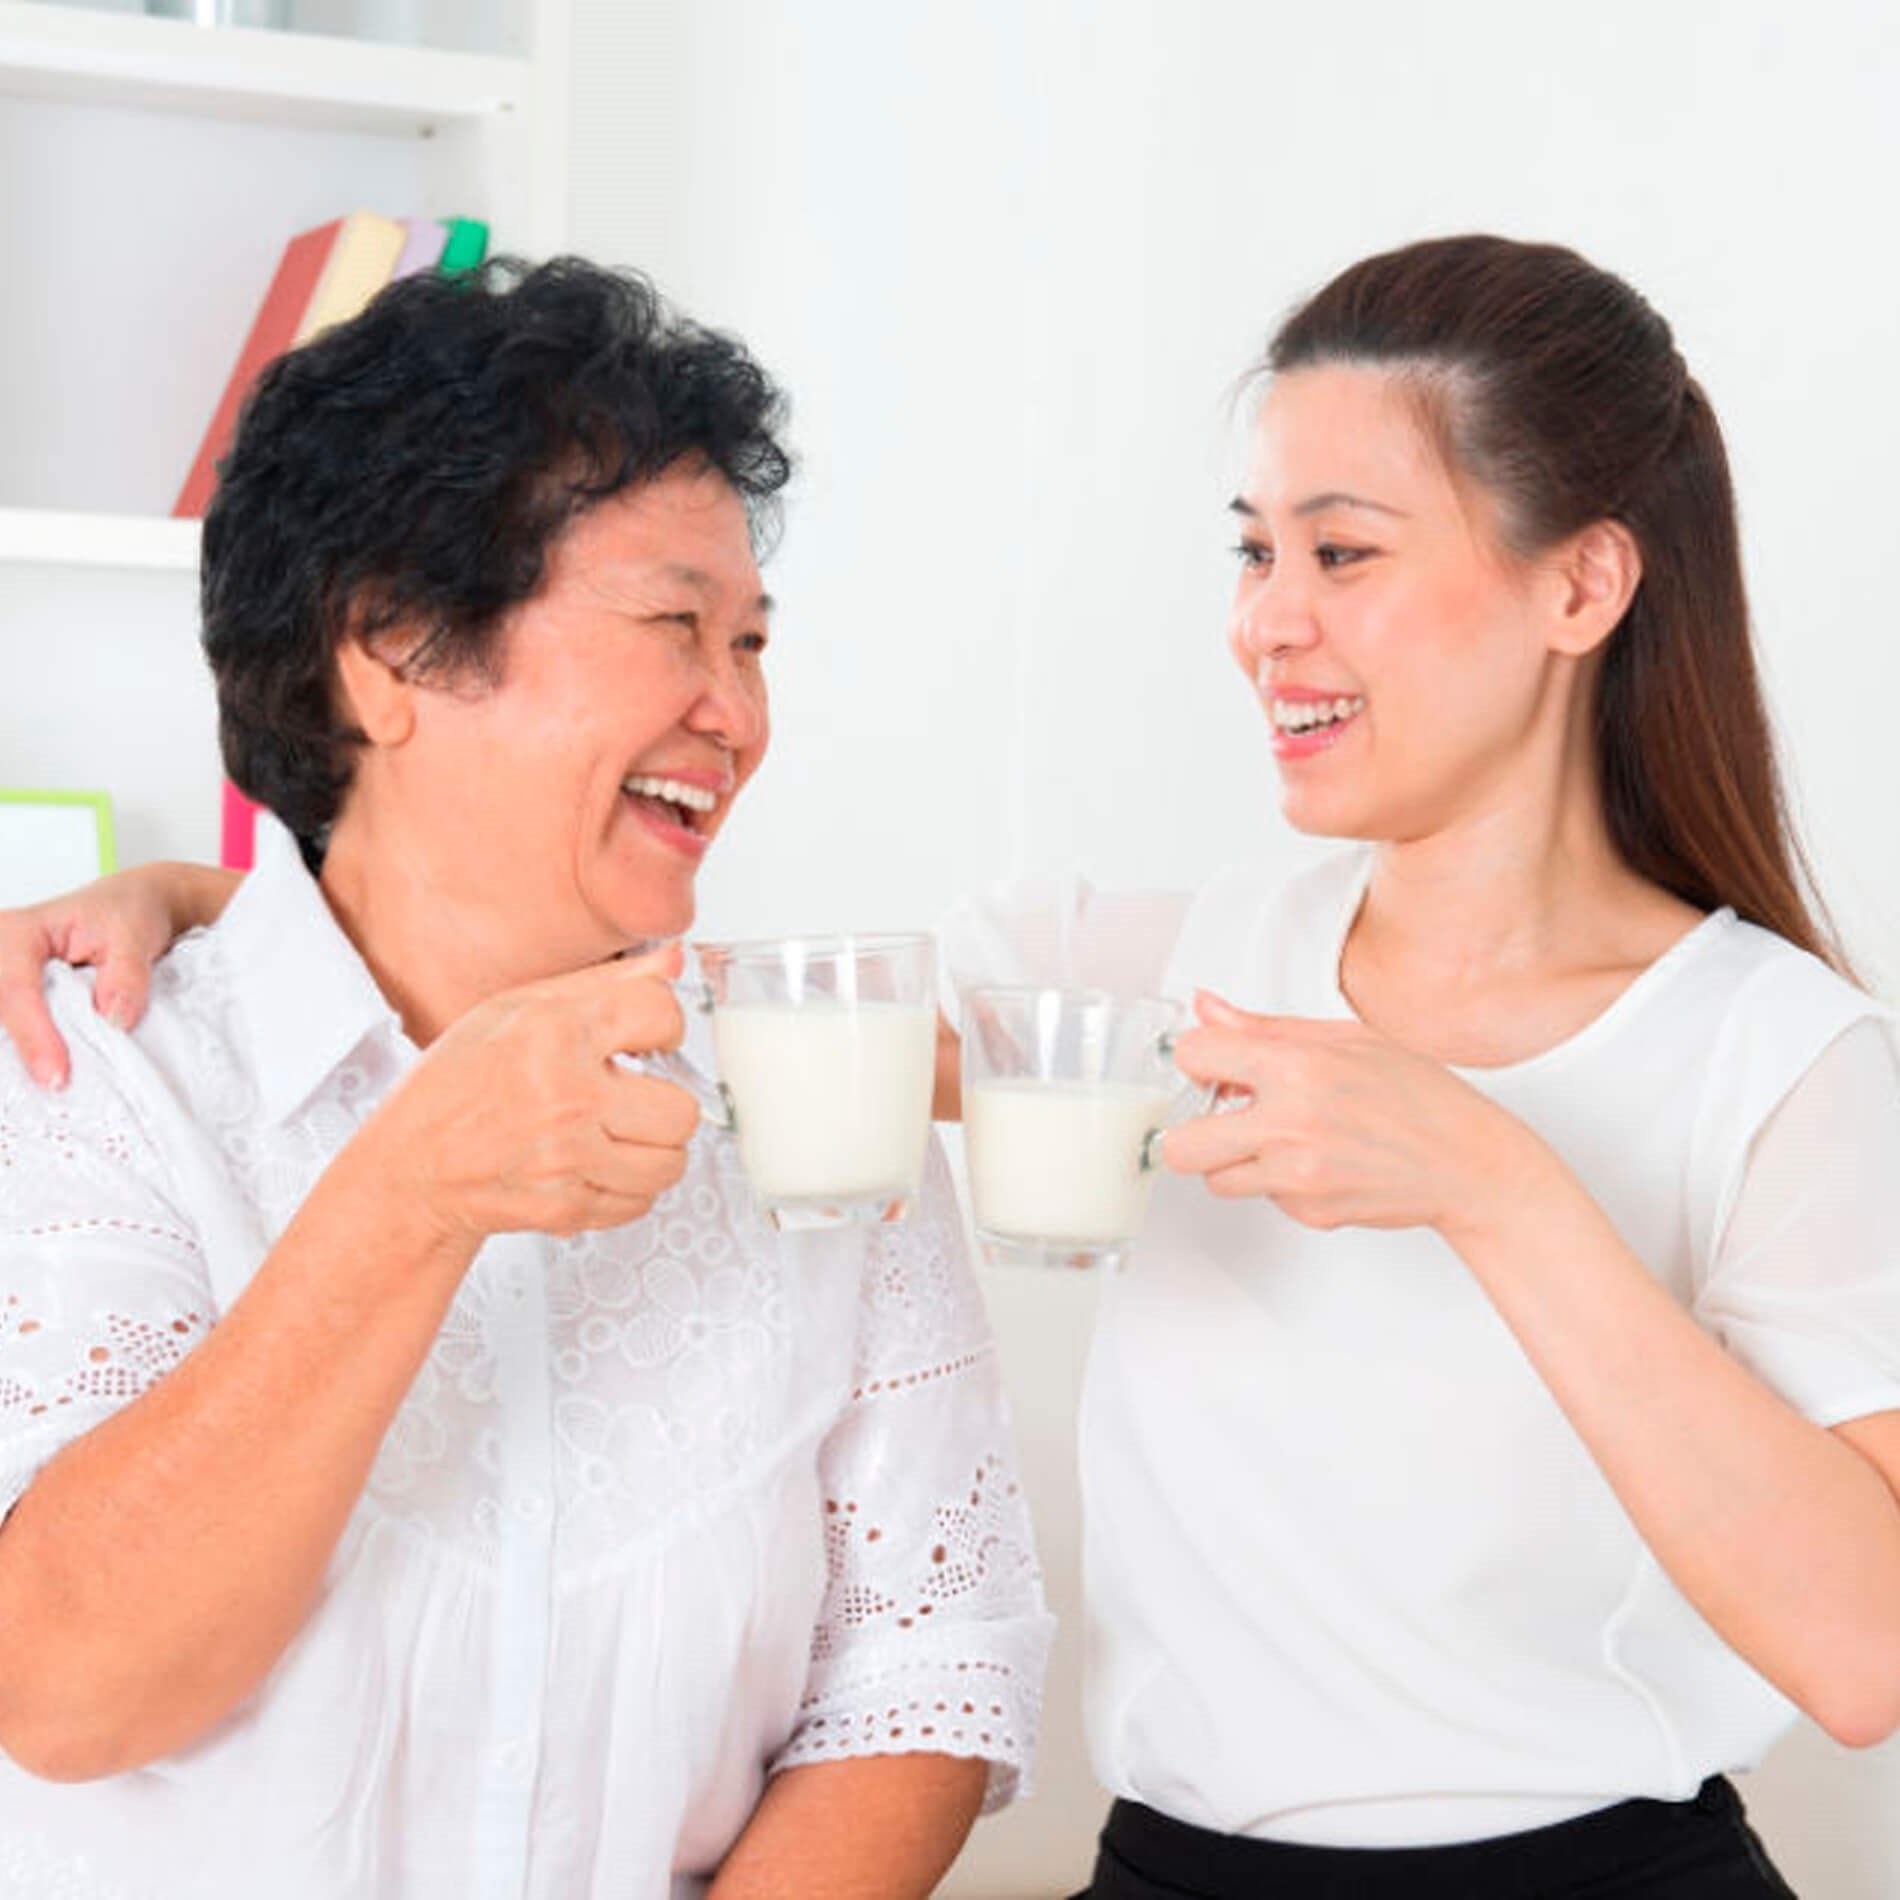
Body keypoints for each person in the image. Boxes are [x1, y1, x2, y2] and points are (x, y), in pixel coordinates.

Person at [10, 235, 1900, 1899]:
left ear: (1583, 590)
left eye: (1343, 551)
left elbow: (1865, 1655)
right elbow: (550, 953)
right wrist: (216, 893)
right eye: (1257, 553)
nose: (1267, 619)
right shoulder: (1132, 979)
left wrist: (1492, 1178)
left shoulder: (1785, 1056)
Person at [0, 257, 1050, 1900]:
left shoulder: (811, 1095)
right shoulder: (85, 1069)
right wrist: (412, 1192)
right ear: (393, 648)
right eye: (673, 626)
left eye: (753, 640)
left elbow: (923, 1678)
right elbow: (64, 1692)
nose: (741, 711)